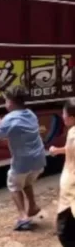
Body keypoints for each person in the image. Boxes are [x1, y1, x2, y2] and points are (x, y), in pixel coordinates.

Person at [0, 85, 46, 231]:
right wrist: (1, 125)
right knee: (26, 182)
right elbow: (18, 129)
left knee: (13, 185)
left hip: (22, 163)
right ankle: (32, 206)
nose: (5, 103)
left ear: (11, 102)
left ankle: (23, 216)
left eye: (5, 100)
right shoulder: (30, 114)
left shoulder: (9, 118)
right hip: (39, 161)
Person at [49, 98, 75, 247]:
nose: (62, 116)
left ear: (71, 117)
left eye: (63, 113)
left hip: (71, 192)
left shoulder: (73, 133)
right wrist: (59, 150)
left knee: (65, 233)